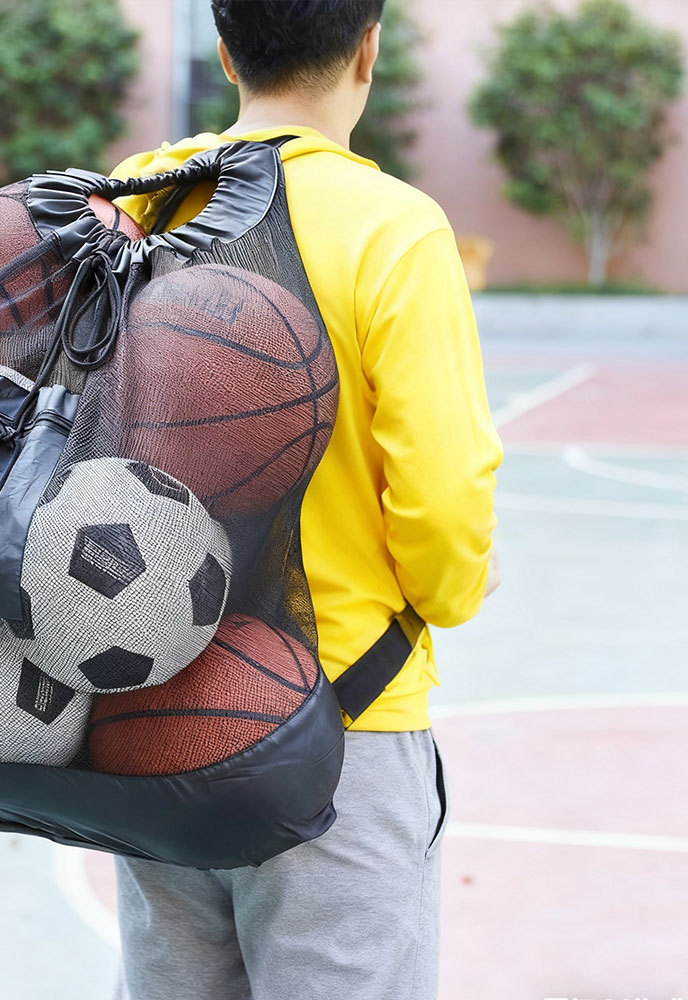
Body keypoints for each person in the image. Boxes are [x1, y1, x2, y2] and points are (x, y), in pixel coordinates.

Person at [106, 2, 503, 998]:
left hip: (147, 710)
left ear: (225, 52)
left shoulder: (144, 199)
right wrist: (455, 590)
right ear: (368, 46)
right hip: (336, 723)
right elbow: (444, 500)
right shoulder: (393, 228)